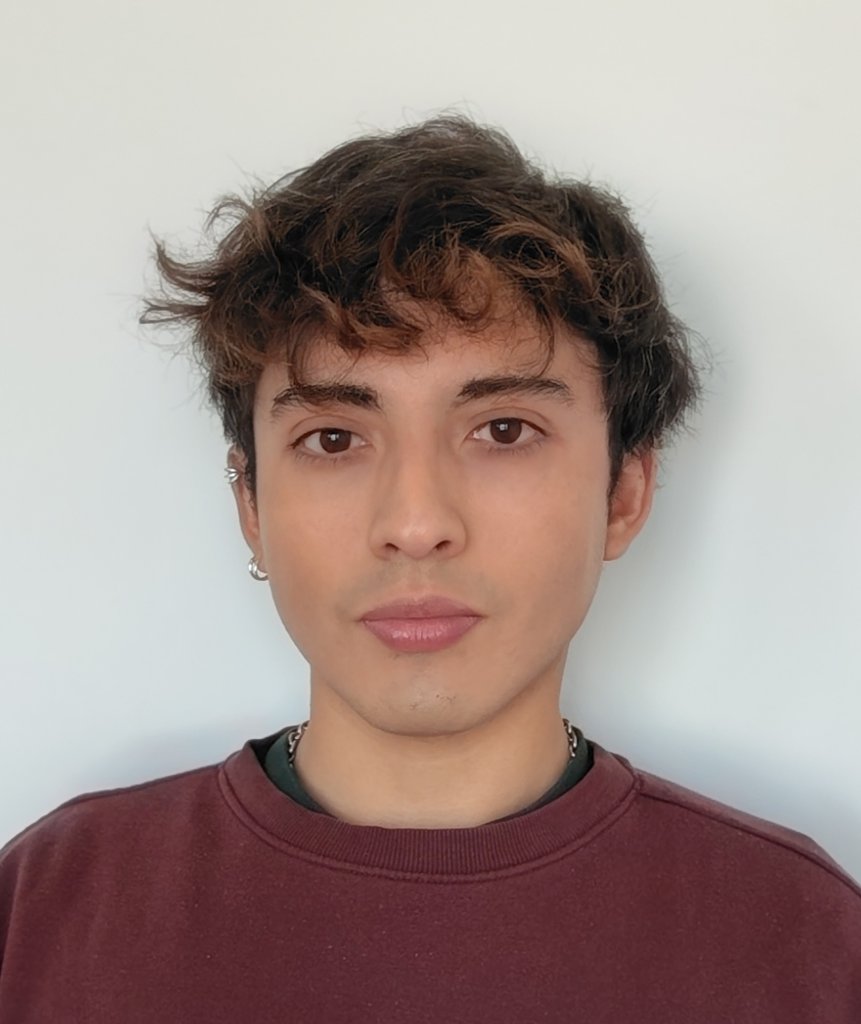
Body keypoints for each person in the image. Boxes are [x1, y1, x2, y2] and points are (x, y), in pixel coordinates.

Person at [1, 115, 858, 1022]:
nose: (414, 526)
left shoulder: (801, 940)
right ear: (250, 505)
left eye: (503, 431)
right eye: (333, 439)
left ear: (623, 493)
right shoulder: (47, 911)